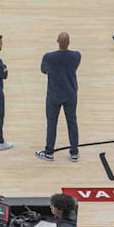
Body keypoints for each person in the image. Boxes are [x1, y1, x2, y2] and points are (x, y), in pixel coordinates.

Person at [36, 32, 81, 163]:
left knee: (52, 123)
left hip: (54, 94)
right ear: (69, 42)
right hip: (71, 93)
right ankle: (74, 152)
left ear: (57, 42)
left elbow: (43, 70)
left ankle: (49, 152)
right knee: (72, 122)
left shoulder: (49, 57)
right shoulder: (76, 55)